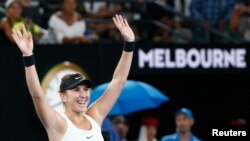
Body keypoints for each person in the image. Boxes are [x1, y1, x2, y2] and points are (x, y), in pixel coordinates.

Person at [12, 14, 135, 141]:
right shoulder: (58, 124)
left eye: (85, 89)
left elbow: (118, 81)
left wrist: (129, 43)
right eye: (76, 90)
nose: (83, 94)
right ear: (63, 96)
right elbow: (37, 96)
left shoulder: (94, 116)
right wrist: (28, 56)